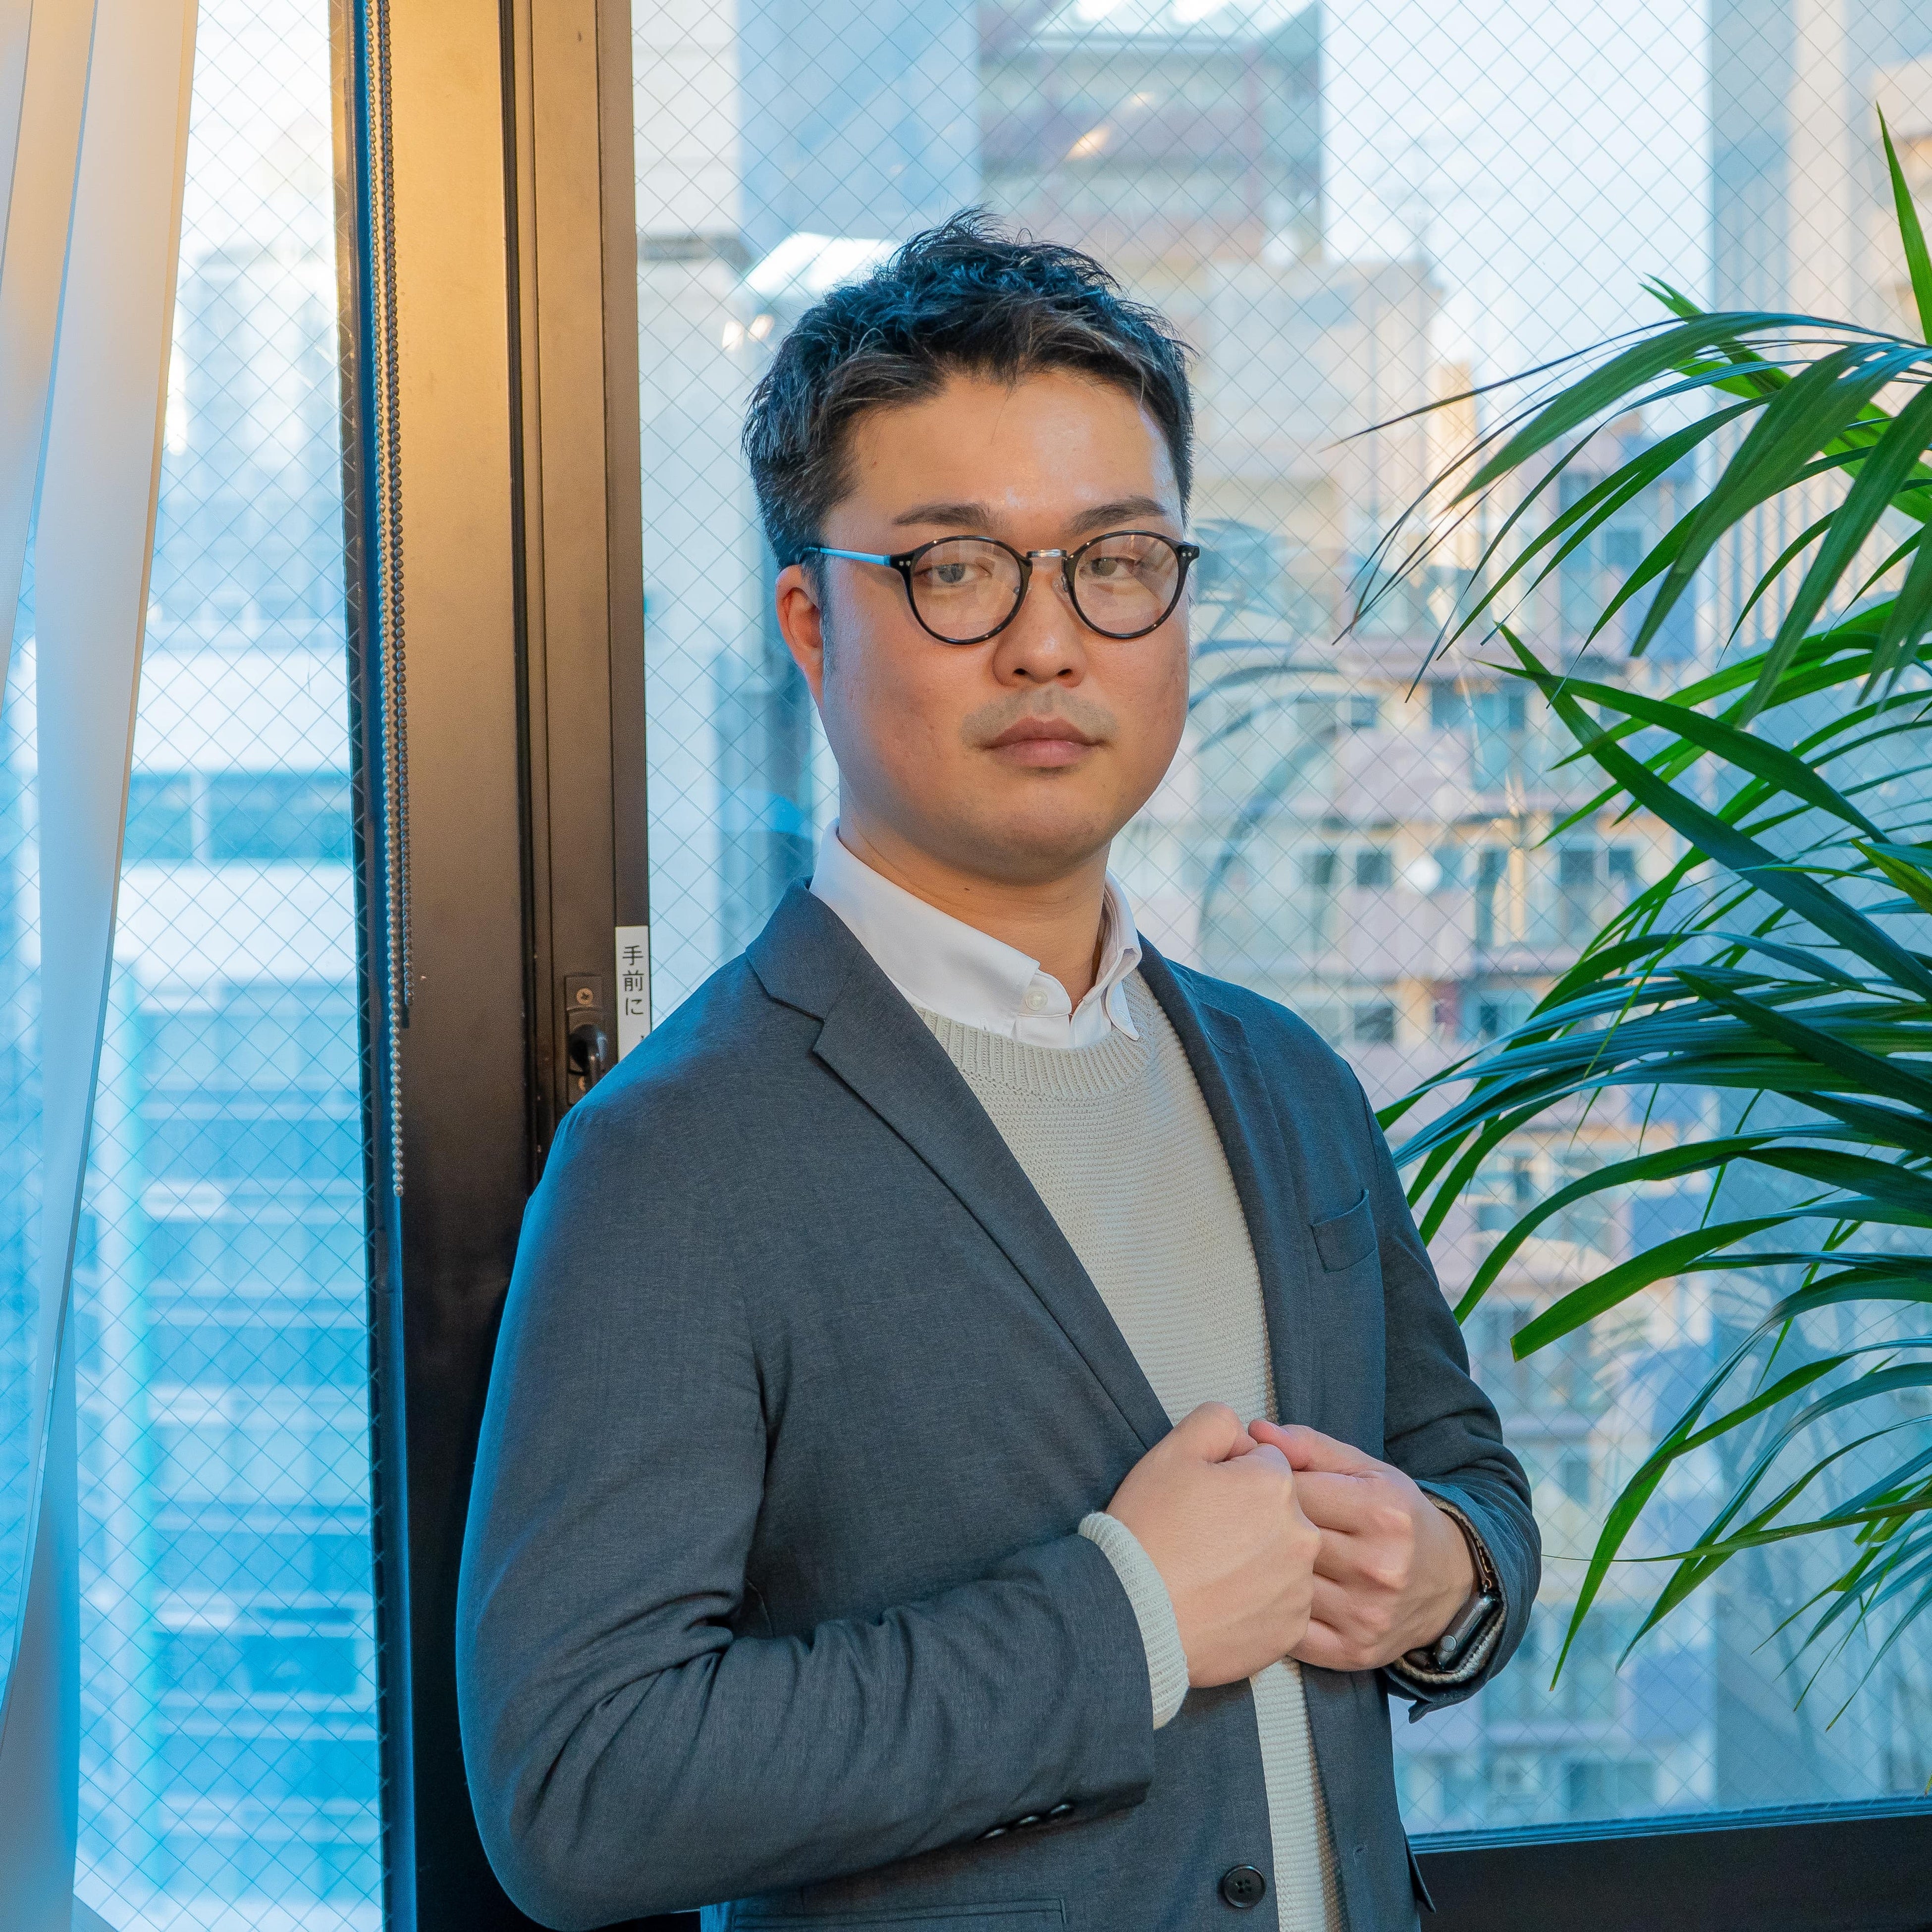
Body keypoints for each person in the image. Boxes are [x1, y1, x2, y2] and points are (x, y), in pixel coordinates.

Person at [457, 212, 1537, 1932]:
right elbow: (579, 1782)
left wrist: (1448, 1573)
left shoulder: (1288, 1082)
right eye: (957, 569)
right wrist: (1127, 1619)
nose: (1050, 642)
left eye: (1116, 560)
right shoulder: (676, 1154)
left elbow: (1462, 1472)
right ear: (811, 623)